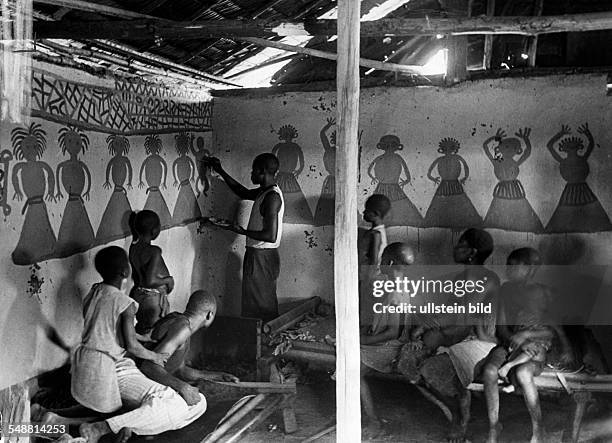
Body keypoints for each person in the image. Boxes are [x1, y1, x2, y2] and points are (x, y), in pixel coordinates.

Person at [69, 246, 207, 443]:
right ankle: (103, 428)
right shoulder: (125, 303)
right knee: (178, 404)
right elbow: (132, 347)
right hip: (107, 367)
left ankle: (130, 426)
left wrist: (145, 338)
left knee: (193, 403)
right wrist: (155, 356)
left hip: (84, 361)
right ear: (126, 271)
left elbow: (107, 328)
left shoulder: (95, 291)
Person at [412, 228, 500, 443]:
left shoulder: (488, 278)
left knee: (429, 365)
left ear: (472, 251)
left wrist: (428, 325)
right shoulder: (462, 277)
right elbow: (452, 315)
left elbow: (465, 315)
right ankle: (458, 404)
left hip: (481, 340)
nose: (455, 248)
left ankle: (461, 418)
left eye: (460, 245)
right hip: (461, 334)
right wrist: (430, 327)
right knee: (414, 356)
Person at [481, 248, 572, 443]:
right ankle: (494, 427)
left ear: (530, 268)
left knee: (523, 372)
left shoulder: (545, 293)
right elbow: (502, 328)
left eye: (514, 265)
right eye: (508, 265)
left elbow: (553, 330)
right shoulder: (505, 290)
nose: (508, 269)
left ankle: (538, 429)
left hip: (534, 348)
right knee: (489, 371)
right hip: (510, 344)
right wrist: (515, 339)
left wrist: (529, 336)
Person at [205, 153, 284, 322]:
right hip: (259, 255)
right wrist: (220, 170)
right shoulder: (266, 191)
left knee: (260, 305)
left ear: (262, 171)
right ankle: (260, 343)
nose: (251, 174)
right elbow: (243, 192)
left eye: (253, 170)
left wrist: (240, 230)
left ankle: (262, 344)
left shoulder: (272, 197)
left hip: (262, 256)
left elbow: (270, 236)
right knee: (256, 301)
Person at [138, 290, 239, 407]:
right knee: (199, 403)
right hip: (141, 381)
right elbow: (149, 366)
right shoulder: (182, 329)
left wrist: (218, 376)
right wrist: (182, 387)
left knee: (198, 401)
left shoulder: (180, 322)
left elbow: (180, 370)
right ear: (209, 314)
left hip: (149, 381)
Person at [360, 242, 414, 436]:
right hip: (390, 343)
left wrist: (363, 341)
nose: (380, 262)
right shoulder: (398, 286)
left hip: (391, 348)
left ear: (390, 262)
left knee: (352, 370)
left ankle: (373, 421)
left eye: (382, 259)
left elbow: (392, 333)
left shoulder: (395, 293)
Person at [129, 210, 175, 334]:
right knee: (154, 333)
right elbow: (150, 281)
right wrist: (168, 280)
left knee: (143, 330)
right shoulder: (154, 251)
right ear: (154, 231)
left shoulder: (133, 248)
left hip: (139, 294)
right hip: (152, 299)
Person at [358, 194, 390, 326]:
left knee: (366, 303)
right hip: (373, 275)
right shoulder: (378, 231)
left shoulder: (375, 234)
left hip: (372, 276)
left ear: (375, 213)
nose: (364, 212)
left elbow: (374, 260)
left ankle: (364, 328)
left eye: (366, 210)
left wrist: (367, 279)